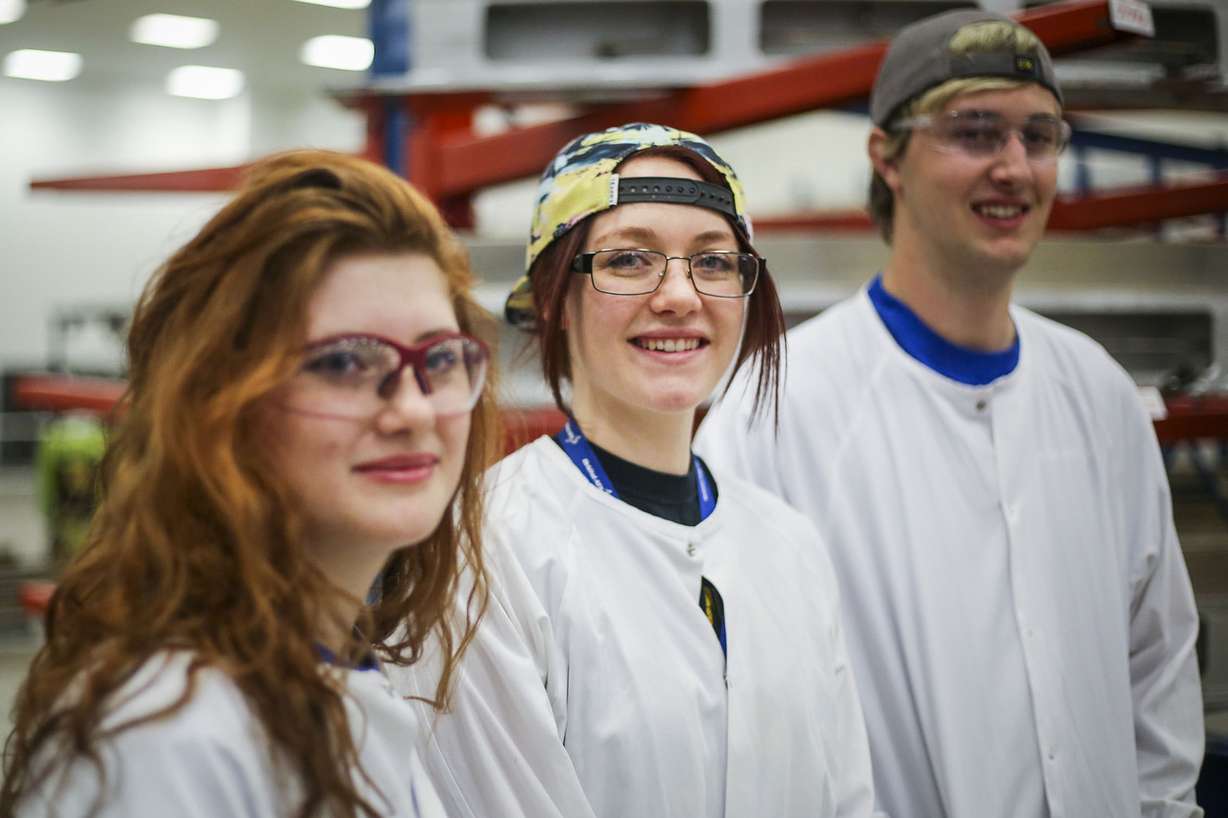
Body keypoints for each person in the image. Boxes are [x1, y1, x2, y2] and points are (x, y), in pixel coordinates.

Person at [697, 10, 1205, 818]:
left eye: (1040, 137)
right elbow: (737, 709)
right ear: (886, 157)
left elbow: (1158, 663)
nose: (1014, 168)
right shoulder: (779, 410)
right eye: (975, 132)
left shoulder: (1097, 395)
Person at [386, 122, 880, 818]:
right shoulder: (486, 550)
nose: (680, 295)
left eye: (712, 262)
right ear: (556, 297)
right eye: (629, 261)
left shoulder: (788, 543)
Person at [1, 150, 500, 818]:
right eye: (345, 362)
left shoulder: (344, 675)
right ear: (221, 403)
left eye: (438, 358)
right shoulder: (163, 737)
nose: (411, 409)